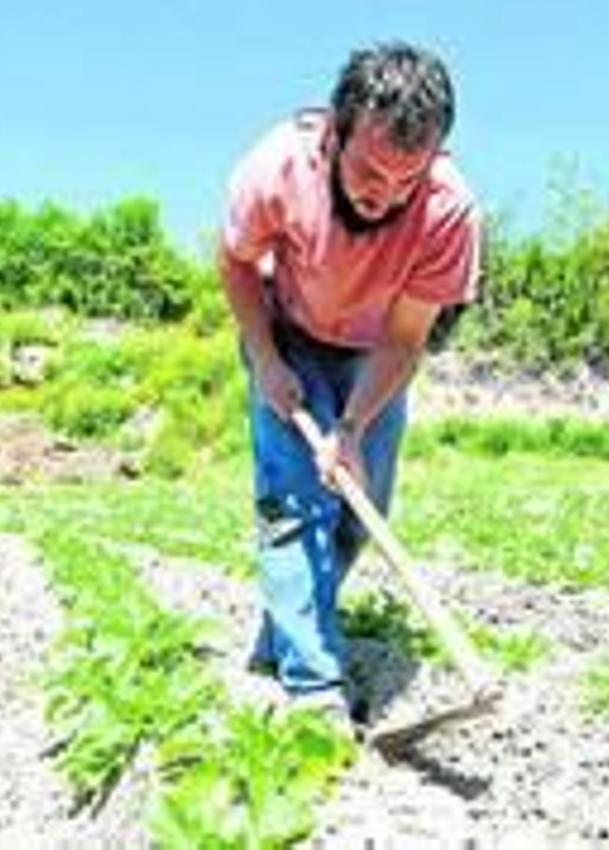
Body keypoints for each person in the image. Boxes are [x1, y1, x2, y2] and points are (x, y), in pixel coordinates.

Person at [219, 42, 482, 722]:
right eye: (370, 171)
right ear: (334, 135)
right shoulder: (276, 165)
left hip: (373, 354)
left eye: (407, 180)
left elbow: (406, 338)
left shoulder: (450, 211)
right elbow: (238, 262)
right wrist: (266, 359)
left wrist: (353, 427)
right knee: (293, 506)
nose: (384, 195)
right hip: (288, 335)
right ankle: (314, 687)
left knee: (358, 513)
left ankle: (288, 627)